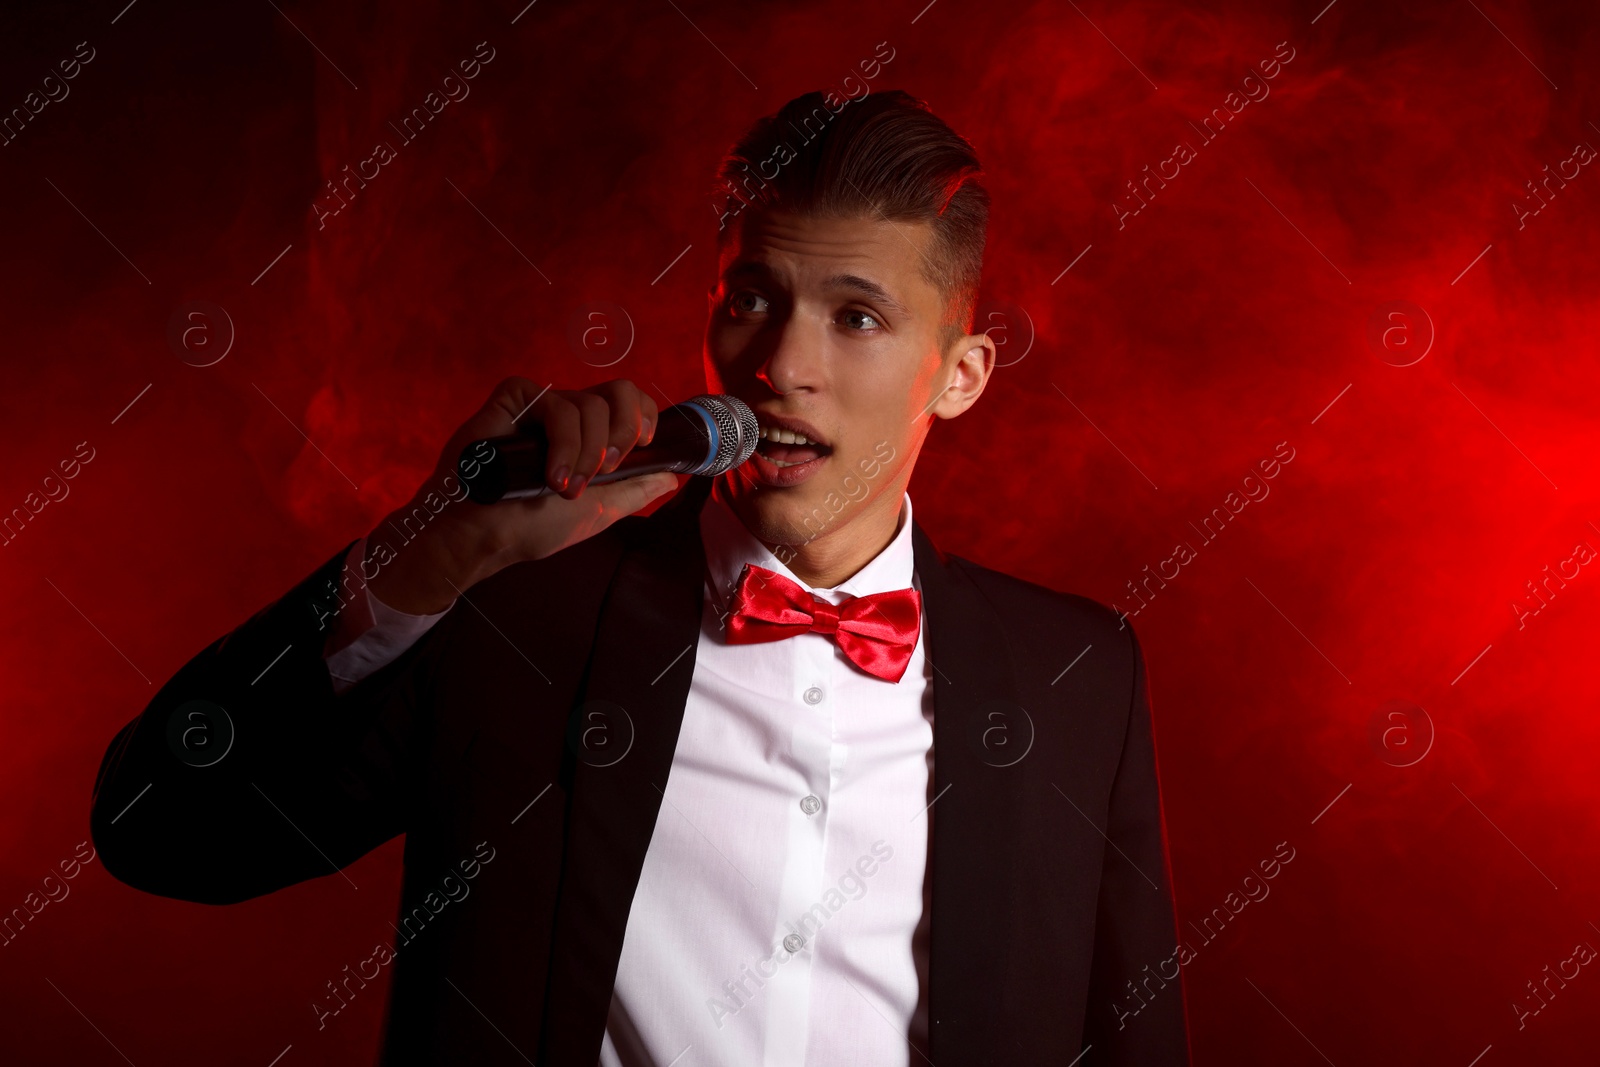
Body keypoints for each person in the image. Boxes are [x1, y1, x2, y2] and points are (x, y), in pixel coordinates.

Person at [89, 88, 1190, 1066]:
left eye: (856, 317)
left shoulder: (1077, 674)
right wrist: (428, 559)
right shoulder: (519, 614)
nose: (781, 365)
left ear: (959, 374)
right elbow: (162, 830)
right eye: (751, 296)